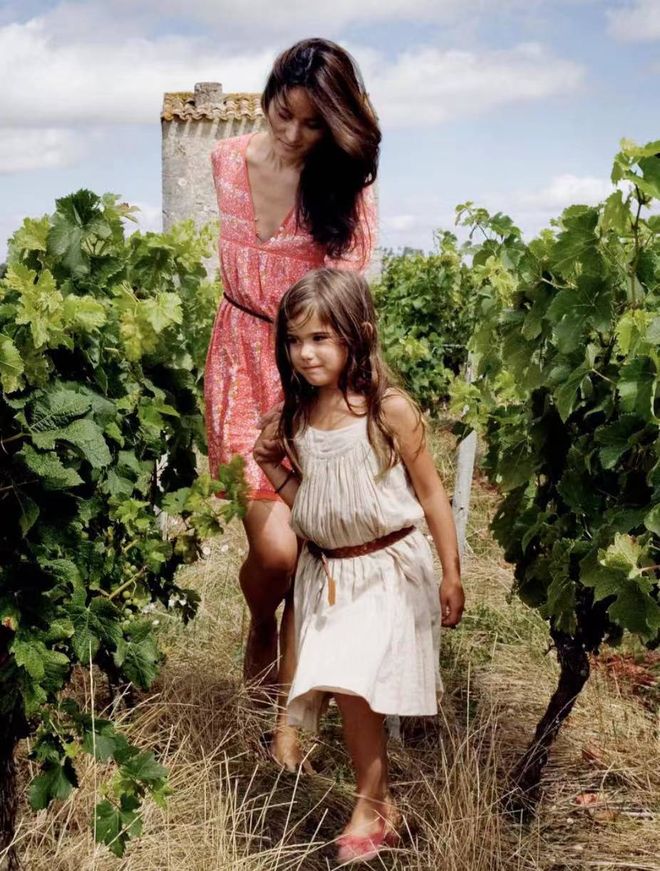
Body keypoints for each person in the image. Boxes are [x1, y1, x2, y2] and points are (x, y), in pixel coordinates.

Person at [204, 38, 380, 769]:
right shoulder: (225, 161)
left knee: (311, 553)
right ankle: (257, 624)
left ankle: (286, 725)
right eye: (285, 115)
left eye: (313, 124)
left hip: (310, 375)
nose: (294, 134)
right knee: (275, 553)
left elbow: (346, 306)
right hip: (241, 365)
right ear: (269, 95)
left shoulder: (342, 187)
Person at [253, 268, 465, 864]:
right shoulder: (300, 417)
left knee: (354, 685)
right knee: (351, 690)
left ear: (358, 335)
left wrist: (451, 572)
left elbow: (431, 495)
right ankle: (379, 805)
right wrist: (272, 468)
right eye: (295, 340)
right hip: (331, 576)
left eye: (320, 338)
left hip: (387, 569)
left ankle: (371, 807)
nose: (305, 353)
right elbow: (317, 505)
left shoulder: (386, 410)